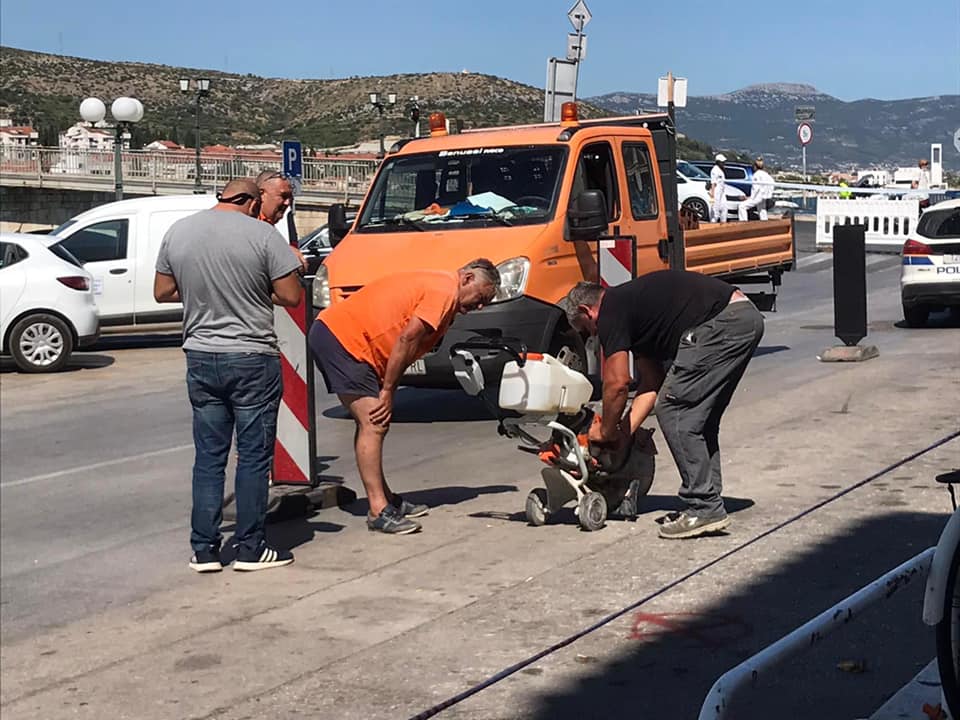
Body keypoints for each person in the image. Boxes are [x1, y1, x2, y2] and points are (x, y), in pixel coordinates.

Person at [154, 177, 306, 572]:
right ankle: (251, 548)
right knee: (253, 457)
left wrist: (206, 290)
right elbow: (291, 296)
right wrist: (252, 290)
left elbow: (162, 291)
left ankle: (204, 549)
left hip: (201, 355)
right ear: (254, 203)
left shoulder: (180, 231)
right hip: (251, 356)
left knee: (209, 458)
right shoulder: (262, 235)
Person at [564, 271, 765, 539]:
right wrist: (624, 434)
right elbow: (652, 381)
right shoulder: (635, 311)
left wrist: (605, 432)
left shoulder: (611, 309)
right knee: (700, 418)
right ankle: (710, 499)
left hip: (721, 325)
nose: (592, 336)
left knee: (676, 411)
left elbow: (617, 383)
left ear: (586, 310)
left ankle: (704, 507)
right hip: (743, 319)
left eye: (586, 328)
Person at [309, 260, 500, 535]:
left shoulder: (444, 289)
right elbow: (407, 339)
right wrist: (387, 391)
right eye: (481, 297)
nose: (479, 306)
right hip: (344, 341)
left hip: (349, 341)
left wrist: (389, 388)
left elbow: (406, 346)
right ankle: (378, 510)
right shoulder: (445, 290)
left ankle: (385, 499)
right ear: (467, 278)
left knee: (372, 422)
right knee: (374, 422)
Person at [709, 154, 728, 223]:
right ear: (718, 162)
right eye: (722, 162)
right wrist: (712, 195)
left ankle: (724, 223)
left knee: (724, 208)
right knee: (715, 211)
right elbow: (713, 183)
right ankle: (712, 224)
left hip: (722, 192)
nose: (723, 163)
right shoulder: (714, 170)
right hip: (716, 191)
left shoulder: (721, 170)